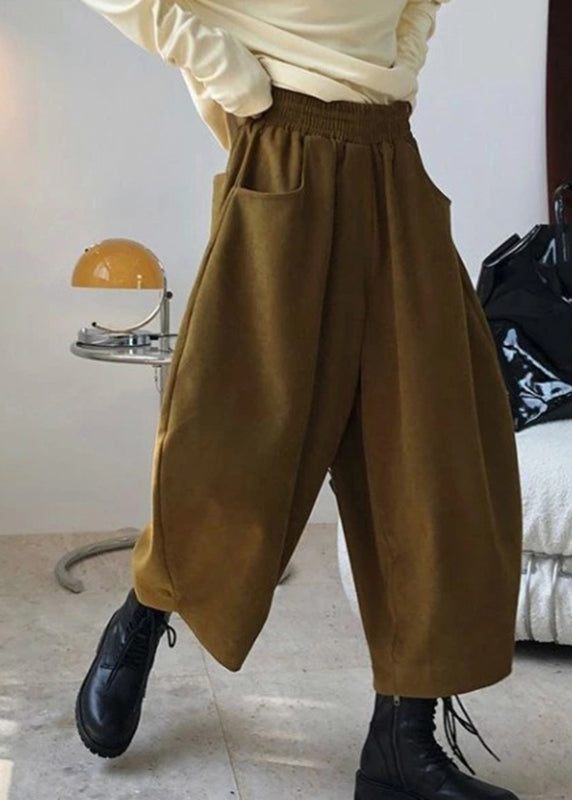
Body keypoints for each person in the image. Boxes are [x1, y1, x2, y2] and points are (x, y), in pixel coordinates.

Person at [73, 3, 524, 799]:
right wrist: (230, 74)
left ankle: (402, 740)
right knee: (235, 440)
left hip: (390, 152)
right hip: (283, 146)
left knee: (432, 447)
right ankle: (147, 606)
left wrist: (403, 63)